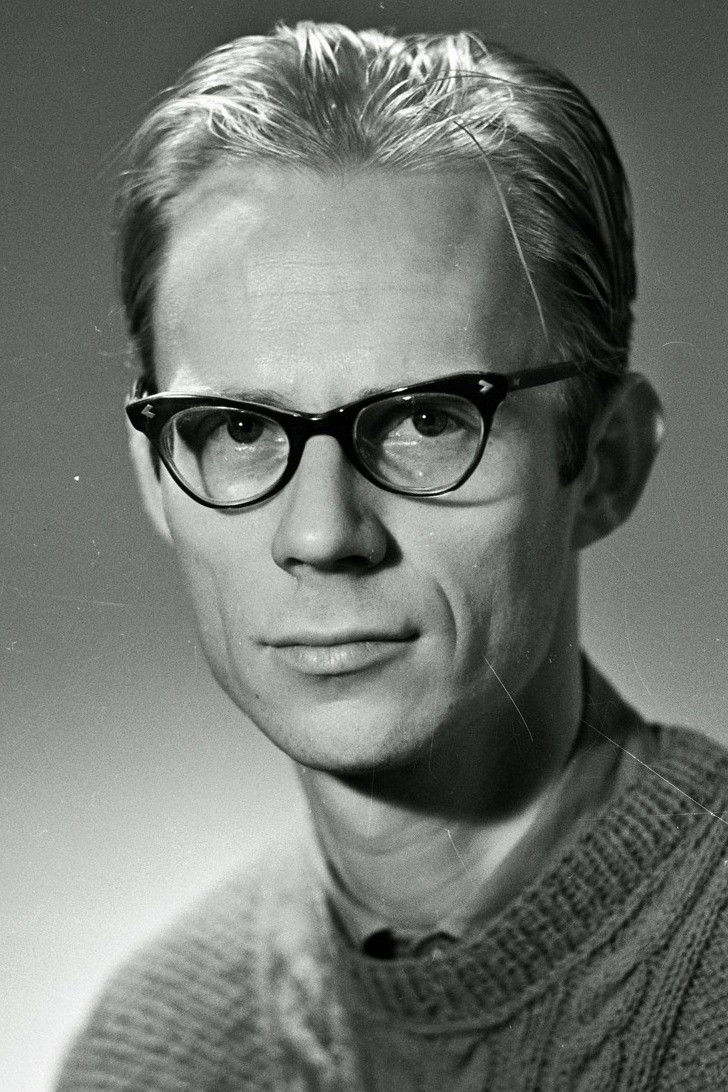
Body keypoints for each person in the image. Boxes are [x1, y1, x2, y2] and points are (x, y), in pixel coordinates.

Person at [57, 21, 728, 1091]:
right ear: (155, 479)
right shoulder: (156, 1052)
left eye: (425, 420)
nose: (322, 536)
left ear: (603, 464)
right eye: (238, 428)